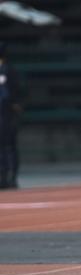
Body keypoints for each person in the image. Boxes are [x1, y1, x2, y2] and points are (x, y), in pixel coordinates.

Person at [0, 42, 21, 189]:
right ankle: (4, 177)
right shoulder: (9, 70)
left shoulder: (9, 70)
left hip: (6, 113)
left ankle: (10, 177)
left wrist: (15, 106)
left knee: (9, 146)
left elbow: (16, 93)